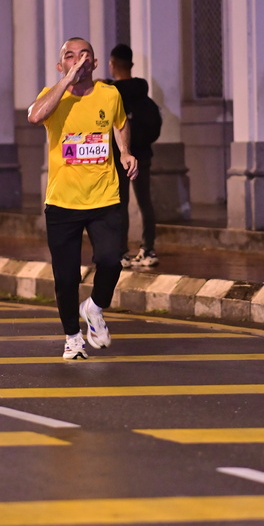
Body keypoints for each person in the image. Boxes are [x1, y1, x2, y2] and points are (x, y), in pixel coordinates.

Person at [28, 37, 138, 359]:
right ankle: (72, 337)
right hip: (62, 201)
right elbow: (34, 116)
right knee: (66, 277)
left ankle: (95, 306)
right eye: (70, 56)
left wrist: (125, 151)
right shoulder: (52, 97)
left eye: (84, 55)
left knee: (111, 260)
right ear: (60, 64)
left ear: (95, 63)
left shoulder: (109, 93)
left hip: (104, 196)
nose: (78, 60)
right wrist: (66, 82)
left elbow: (120, 124)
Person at [108, 43, 160, 269]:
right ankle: (148, 249)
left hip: (119, 156)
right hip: (142, 155)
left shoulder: (111, 95)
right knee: (145, 201)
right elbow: (154, 126)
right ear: (131, 64)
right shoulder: (142, 94)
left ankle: (121, 252)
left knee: (120, 203)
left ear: (112, 65)